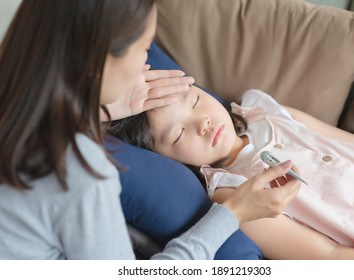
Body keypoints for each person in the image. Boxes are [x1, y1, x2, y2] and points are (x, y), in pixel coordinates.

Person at [0, 0, 301, 260]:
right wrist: (233, 213)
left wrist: (102, 107)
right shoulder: (79, 170)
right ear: (101, 61)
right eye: (144, 48)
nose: (148, 59)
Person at [109, 85, 354, 259]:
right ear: (167, 160)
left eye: (194, 101)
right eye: (179, 134)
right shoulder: (234, 193)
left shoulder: (265, 113)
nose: (202, 123)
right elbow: (329, 257)